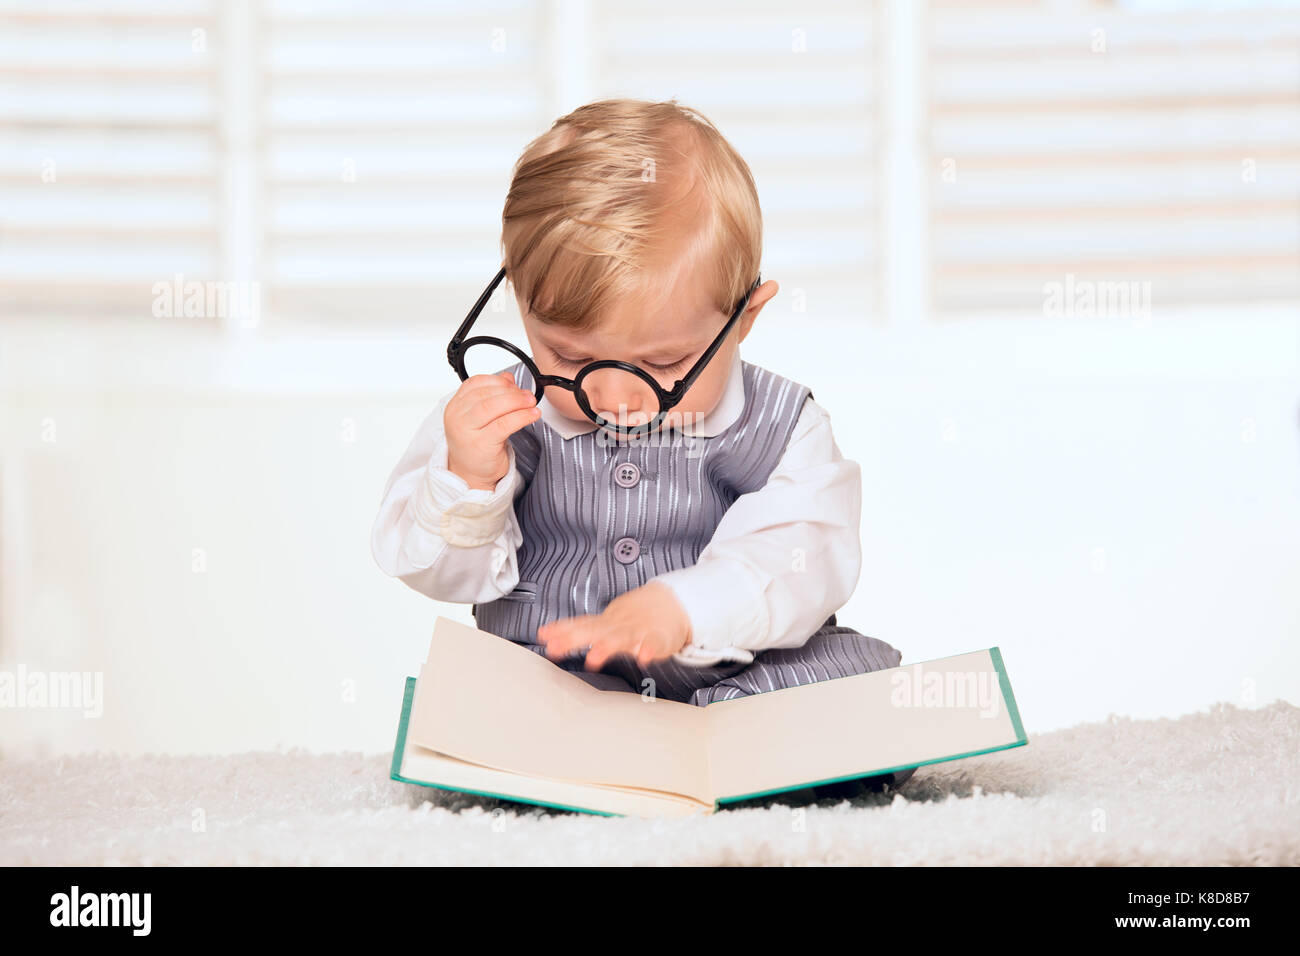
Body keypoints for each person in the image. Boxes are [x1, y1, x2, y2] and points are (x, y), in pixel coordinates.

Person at [370, 98, 915, 797]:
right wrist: (470, 483)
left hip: (738, 668)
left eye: (661, 367)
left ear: (744, 319)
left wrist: (684, 609)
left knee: (858, 688)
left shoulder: (783, 424)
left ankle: (739, 749)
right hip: (563, 681)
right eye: (567, 355)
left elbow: (801, 557)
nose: (613, 400)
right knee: (499, 705)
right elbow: (434, 570)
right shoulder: (506, 412)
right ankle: (603, 762)